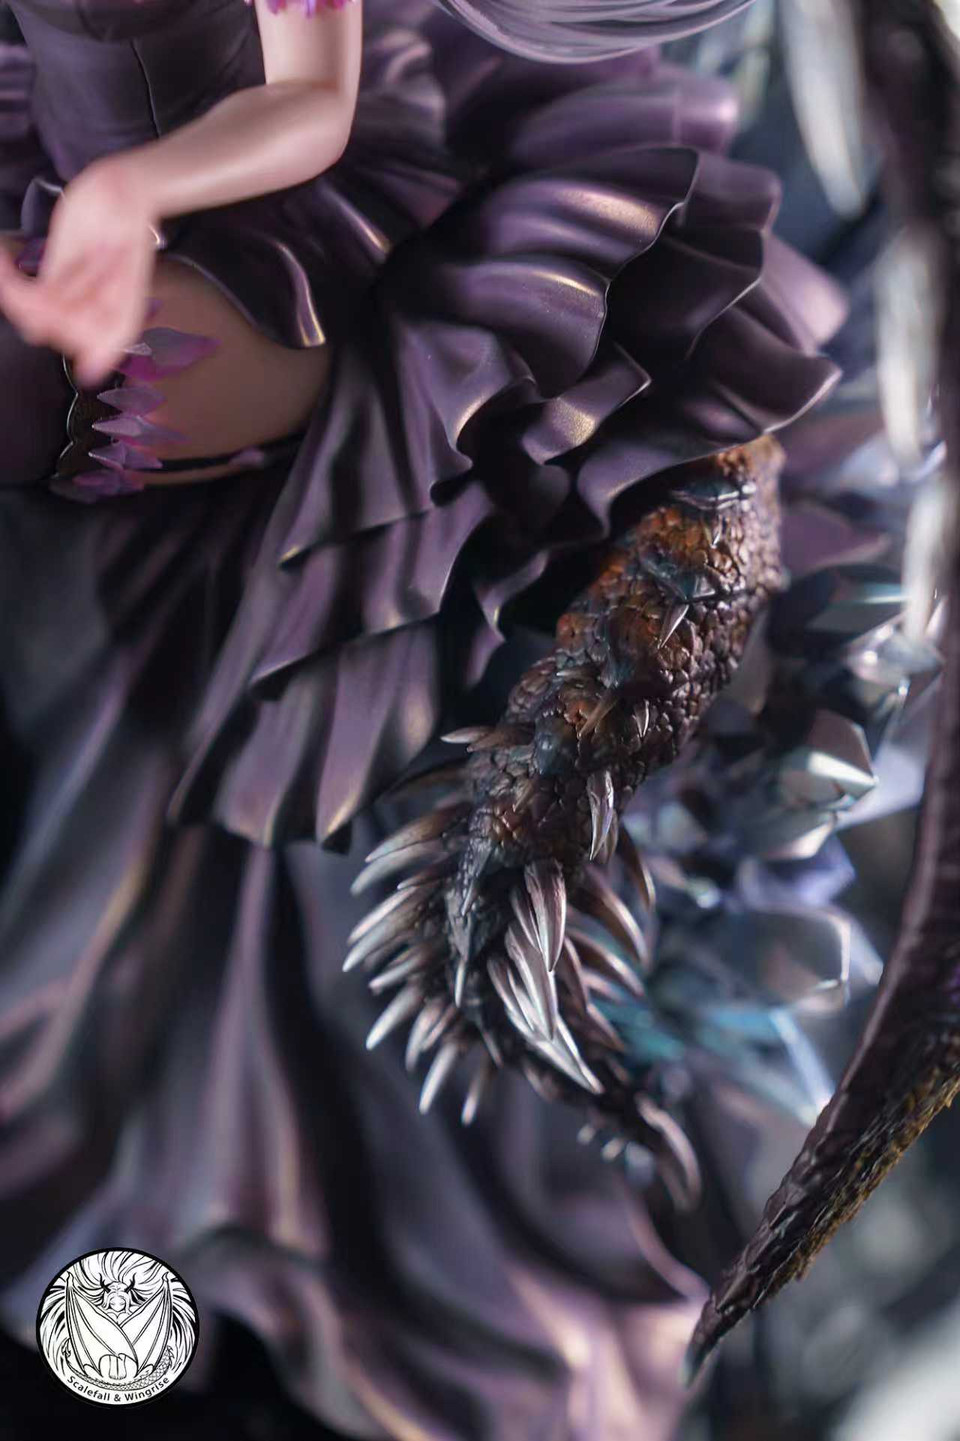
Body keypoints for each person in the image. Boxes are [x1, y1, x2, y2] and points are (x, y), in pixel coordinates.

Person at [0, 0, 860, 1434]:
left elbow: (311, 105)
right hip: (128, 446)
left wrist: (132, 191)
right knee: (169, 925)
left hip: (288, 273)